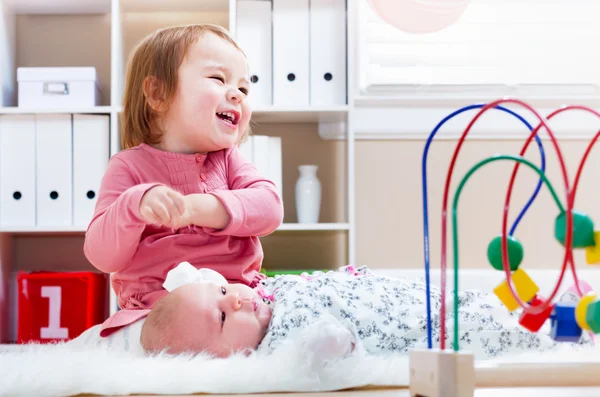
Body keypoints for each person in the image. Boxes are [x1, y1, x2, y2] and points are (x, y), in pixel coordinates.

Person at [83, 23, 284, 339]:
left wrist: (195, 209)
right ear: (157, 93)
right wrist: (132, 208)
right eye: (218, 79)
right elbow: (102, 256)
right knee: (122, 343)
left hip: (236, 305)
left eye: (244, 89)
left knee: (295, 311)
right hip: (155, 310)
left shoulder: (228, 159)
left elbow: (270, 208)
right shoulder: (128, 165)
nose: (237, 94)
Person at [139, 263, 593, 361]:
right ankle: (570, 328)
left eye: (222, 288)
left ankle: (559, 308)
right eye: (221, 317)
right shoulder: (279, 347)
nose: (234, 299)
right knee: (490, 327)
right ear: (221, 358)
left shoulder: (266, 293)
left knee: (485, 301)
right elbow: (334, 345)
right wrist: (327, 345)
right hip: (435, 331)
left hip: (421, 297)